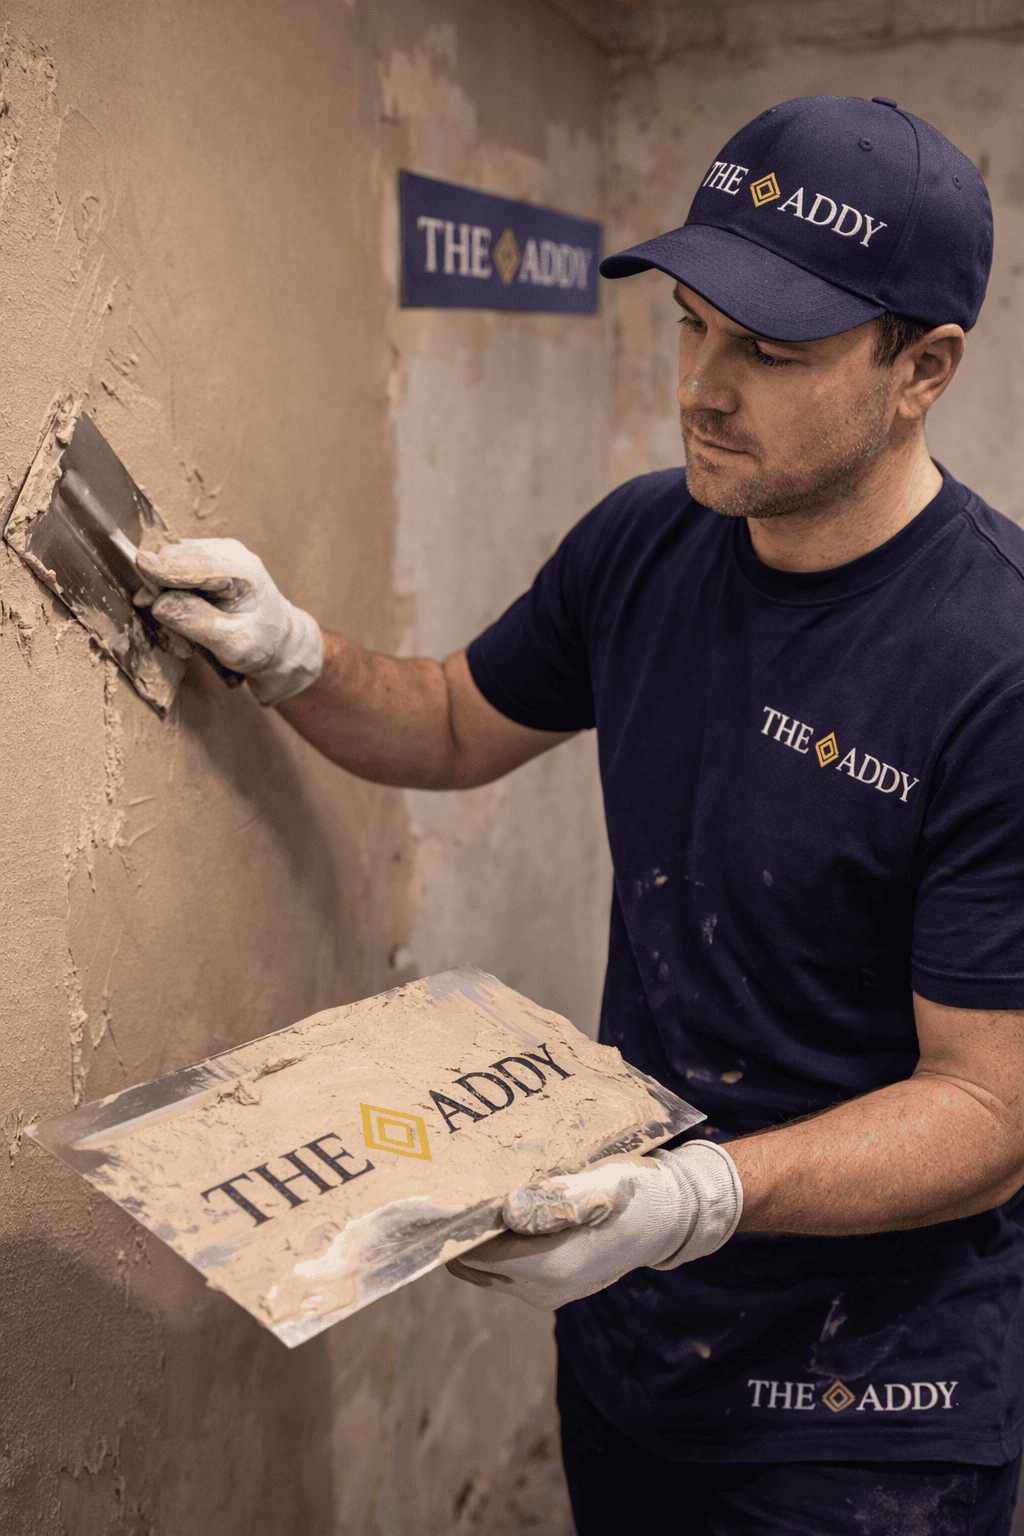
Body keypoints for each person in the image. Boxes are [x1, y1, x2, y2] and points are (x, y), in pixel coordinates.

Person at [138, 96, 1024, 1534]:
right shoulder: (647, 542)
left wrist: (695, 1200)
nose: (702, 388)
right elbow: (445, 720)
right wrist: (292, 653)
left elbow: (991, 1109)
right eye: (689, 325)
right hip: (631, 1338)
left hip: (868, 1405)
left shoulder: (994, 659)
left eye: (772, 351)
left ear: (921, 368)